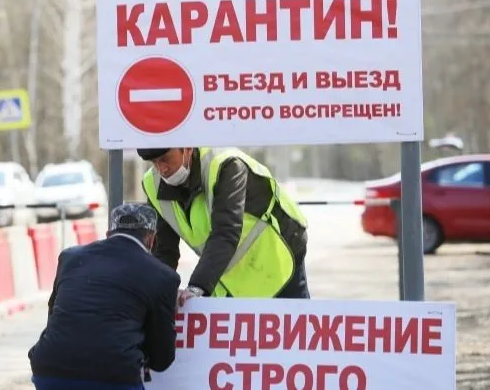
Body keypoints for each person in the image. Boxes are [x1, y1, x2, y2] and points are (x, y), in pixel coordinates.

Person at [27, 203, 181, 390]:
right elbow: (162, 359)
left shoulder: (70, 258)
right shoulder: (162, 275)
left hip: (49, 370)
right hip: (113, 376)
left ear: (109, 234)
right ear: (151, 238)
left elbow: (54, 317)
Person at [137, 147, 310, 304]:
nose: (162, 169)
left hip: (279, 258)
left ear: (187, 149)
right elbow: (164, 250)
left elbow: (226, 232)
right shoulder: (154, 184)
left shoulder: (226, 165)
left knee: (296, 334)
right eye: (154, 162)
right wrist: (159, 291)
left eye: (166, 159)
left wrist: (197, 287)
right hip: (228, 274)